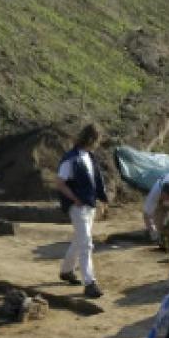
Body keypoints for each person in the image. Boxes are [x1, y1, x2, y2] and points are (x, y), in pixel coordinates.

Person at [55, 123, 109, 299]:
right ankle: (90, 282)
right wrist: (74, 199)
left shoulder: (89, 156)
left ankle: (66, 270)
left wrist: (101, 200)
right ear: (92, 139)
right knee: (86, 243)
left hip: (88, 205)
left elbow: (95, 182)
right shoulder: (71, 158)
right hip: (77, 207)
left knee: (80, 240)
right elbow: (60, 183)